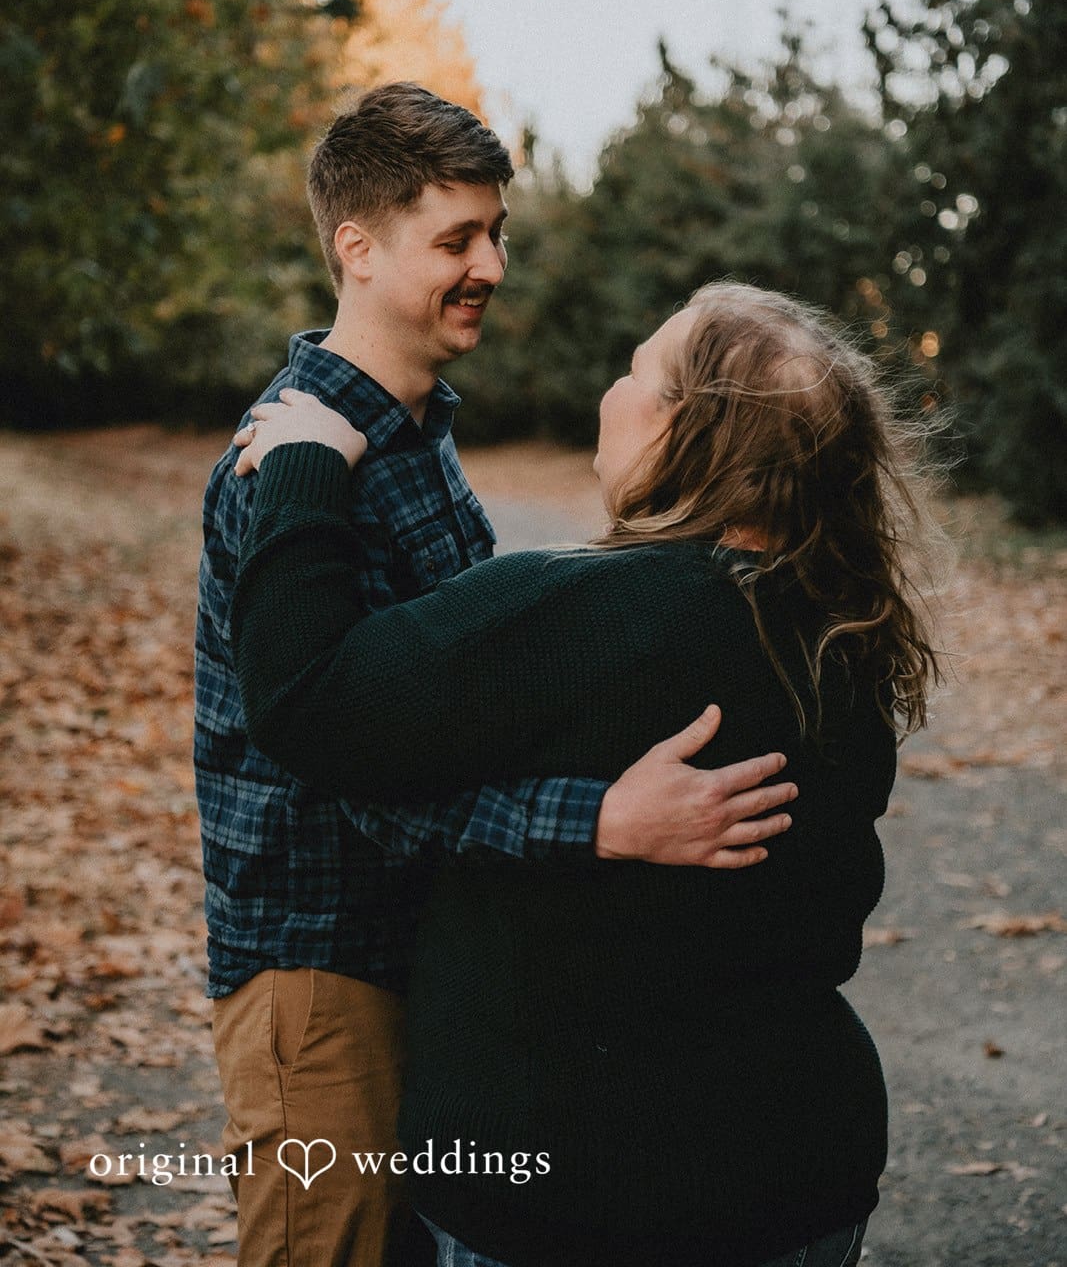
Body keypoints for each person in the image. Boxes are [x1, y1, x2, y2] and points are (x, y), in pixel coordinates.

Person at [194, 86, 796, 1267]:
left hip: (423, 946)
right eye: (455, 239)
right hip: (322, 964)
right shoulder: (294, 466)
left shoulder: (411, 437)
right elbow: (345, 758)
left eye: (496, 232)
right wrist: (600, 821)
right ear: (355, 250)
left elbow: (460, 702)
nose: (491, 265)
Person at [227, 279, 944, 1267]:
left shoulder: (580, 616)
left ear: (689, 432)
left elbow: (305, 699)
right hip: (798, 1179)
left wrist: (304, 470)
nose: (609, 391)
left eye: (634, 371)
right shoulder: (843, 633)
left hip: (568, 1204)